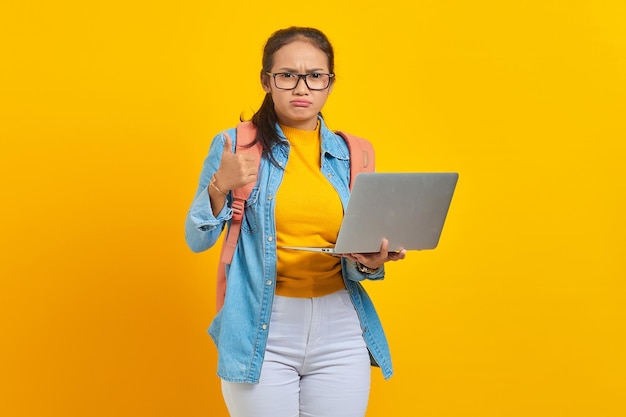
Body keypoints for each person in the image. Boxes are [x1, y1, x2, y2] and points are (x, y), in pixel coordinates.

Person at [185, 26, 406, 417]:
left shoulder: (355, 152)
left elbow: (356, 258)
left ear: (330, 83)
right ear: (267, 81)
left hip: (340, 326)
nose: (302, 88)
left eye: (315, 76)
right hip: (260, 326)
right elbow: (196, 240)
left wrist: (369, 262)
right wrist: (221, 185)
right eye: (288, 75)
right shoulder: (233, 145)